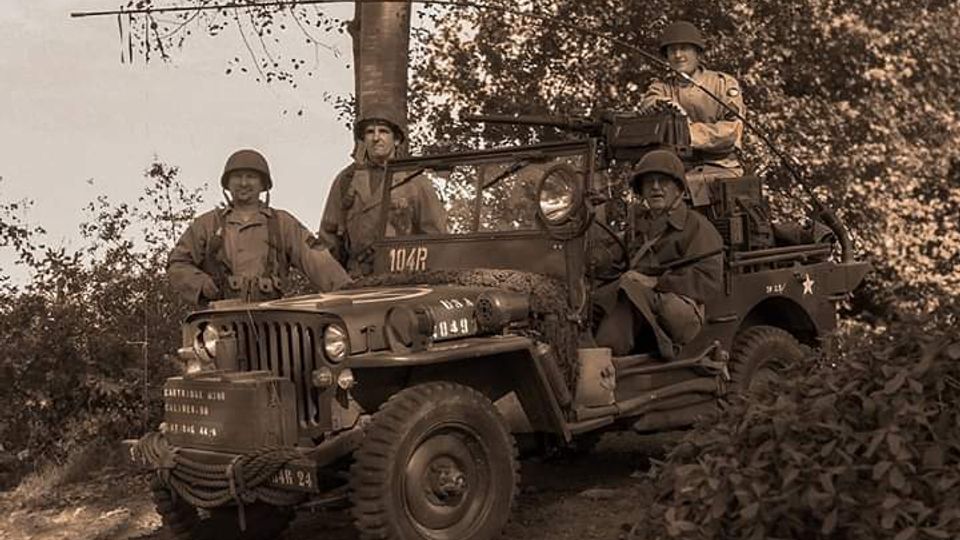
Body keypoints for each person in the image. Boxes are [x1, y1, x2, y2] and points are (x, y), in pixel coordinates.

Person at [168, 149, 350, 305]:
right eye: (237, 177)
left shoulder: (282, 223)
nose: (244, 183)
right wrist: (201, 284)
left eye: (251, 177)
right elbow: (177, 263)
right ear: (228, 183)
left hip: (271, 317)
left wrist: (346, 289)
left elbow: (315, 258)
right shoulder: (208, 224)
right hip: (220, 318)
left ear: (263, 184)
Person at [594, 150, 723, 359]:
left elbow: (708, 281)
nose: (655, 187)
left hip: (681, 312)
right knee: (596, 296)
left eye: (663, 181)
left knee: (628, 288)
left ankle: (606, 359)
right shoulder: (638, 227)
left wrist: (654, 282)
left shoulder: (697, 226)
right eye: (648, 182)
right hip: (644, 303)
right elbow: (612, 262)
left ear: (678, 188)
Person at [319, 105, 446, 276]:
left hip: (404, 280)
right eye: (370, 132)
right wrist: (334, 283)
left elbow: (436, 240)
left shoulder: (415, 181)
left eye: (384, 131)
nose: (376, 138)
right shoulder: (346, 180)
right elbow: (329, 239)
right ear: (364, 139)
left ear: (397, 139)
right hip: (356, 281)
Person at [640, 21, 746, 184]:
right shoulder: (662, 88)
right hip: (676, 171)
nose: (678, 55)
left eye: (684, 48)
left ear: (698, 53)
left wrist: (686, 133)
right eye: (672, 50)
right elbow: (650, 102)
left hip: (721, 169)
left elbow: (730, 131)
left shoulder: (723, 84)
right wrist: (665, 106)